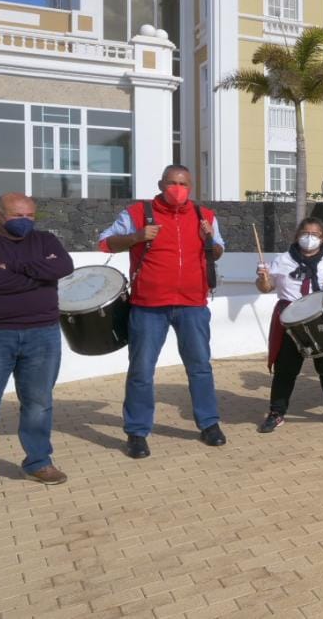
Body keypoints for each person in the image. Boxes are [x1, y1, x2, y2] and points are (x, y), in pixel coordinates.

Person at [0, 194, 74, 504]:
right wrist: (38, 276)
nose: (25, 221)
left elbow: (63, 266)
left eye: (31, 215)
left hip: (42, 334)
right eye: (18, 215)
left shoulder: (45, 240)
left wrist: (13, 267)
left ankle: (38, 462)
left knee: (39, 403)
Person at [98, 164, 225, 459]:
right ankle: (137, 432)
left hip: (192, 304)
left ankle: (209, 424)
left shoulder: (204, 215)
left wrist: (209, 239)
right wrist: (137, 236)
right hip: (148, 306)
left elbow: (218, 250)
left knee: (200, 367)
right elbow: (105, 243)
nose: (178, 188)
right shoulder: (136, 214)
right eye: (172, 182)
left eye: (184, 183)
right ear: (160, 184)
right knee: (142, 371)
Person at [254, 218, 323, 432]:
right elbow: (266, 287)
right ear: (298, 234)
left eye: (315, 234)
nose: (309, 237)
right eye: (305, 232)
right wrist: (263, 278)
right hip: (291, 321)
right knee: (285, 370)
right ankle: (277, 412)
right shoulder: (282, 260)